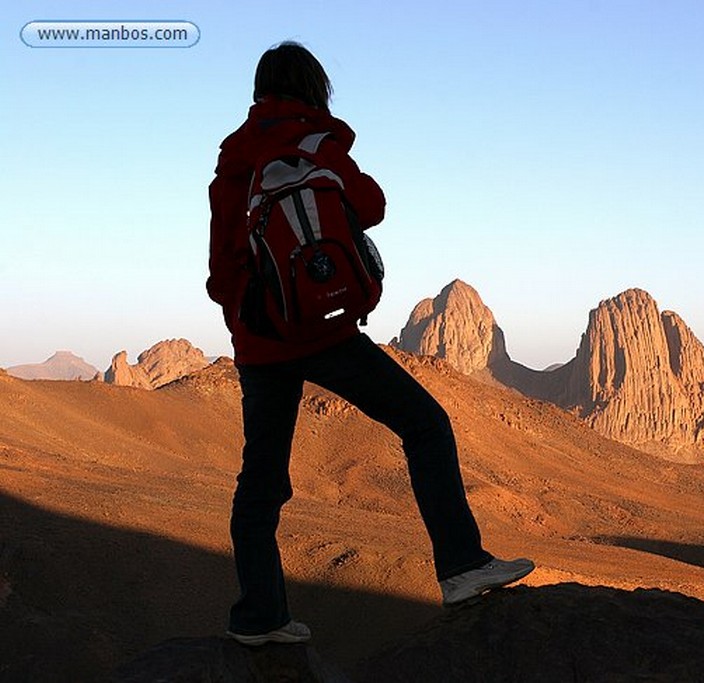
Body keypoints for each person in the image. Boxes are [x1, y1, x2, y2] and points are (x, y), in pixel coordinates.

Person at [207, 41, 534, 646]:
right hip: (326, 331)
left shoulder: (232, 160)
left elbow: (219, 272)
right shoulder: (316, 142)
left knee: (262, 483)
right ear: (314, 88)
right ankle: (462, 566)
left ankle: (260, 618)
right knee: (425, 424)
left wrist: (252, 318)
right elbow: (373, 205)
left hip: (260, 342)